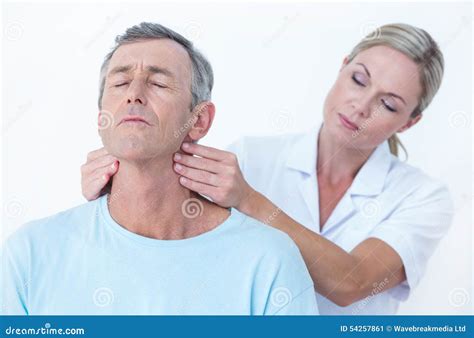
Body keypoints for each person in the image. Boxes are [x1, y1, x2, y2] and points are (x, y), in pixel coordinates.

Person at [81, 23, 454, 314]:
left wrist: (248, 200)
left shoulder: (422, 197)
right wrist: (114, 183)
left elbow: (352, 282)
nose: (361, 106)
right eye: (358, 80)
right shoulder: (252, 155)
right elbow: (165, 227)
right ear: (342, 69)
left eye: (388, 104)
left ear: (409, 123)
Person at [1, 22, 318, 315]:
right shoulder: (30, 253)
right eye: (121, 82)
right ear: (101, 119)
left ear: (199, 120)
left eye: (158, 83)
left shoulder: (268, 261)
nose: (133, 95)